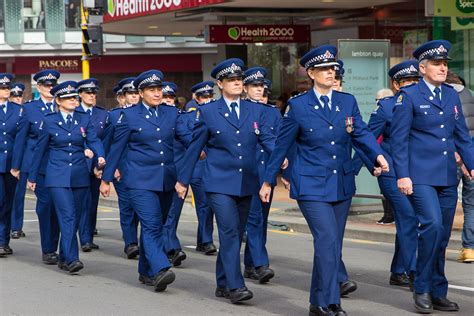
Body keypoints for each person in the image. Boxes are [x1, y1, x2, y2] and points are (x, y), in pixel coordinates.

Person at [259, 45, 389, 316]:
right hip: (311, 184)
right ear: (311, 73)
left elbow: (361, 133)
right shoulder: (298, 105)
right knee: (327, 239)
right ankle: (329, 302)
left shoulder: (347, 101)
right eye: (325, 69)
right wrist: (268, 180)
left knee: (331, 244)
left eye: (334, 69)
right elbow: (282, 146)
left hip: (340, 183)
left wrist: (377, 156)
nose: (331, 73)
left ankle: (320, 302)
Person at [175, 58, 277, 304]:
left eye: (239, 80)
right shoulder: (208, 111)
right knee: (230, 232)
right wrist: (183, 180)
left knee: (236, 231)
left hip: (247, 182)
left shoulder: (256, 110)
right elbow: (194, 148)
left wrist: (282, 161)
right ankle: (235, 285)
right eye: (231, 80)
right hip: (219, 183)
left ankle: (222, 283)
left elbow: (268, 141)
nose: (237, 83)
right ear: (220, 83)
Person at [391, 40, 474, 313]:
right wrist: (402, 175)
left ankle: (438, 291)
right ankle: (422, 287)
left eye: (445, 64)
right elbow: (399, 140)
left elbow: (462, 135)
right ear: (422, 68)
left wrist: (472, 165)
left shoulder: (450, 94)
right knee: (432, 226)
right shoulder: (409, 96)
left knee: (442, 235)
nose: (442, 68)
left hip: (448, 176)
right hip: (420, 176)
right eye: (437, 64)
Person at [100, 70, 191, 292]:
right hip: (139, 181)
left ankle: (145, 271)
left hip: (166, 180)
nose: (157, 93)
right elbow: (116, 149)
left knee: (157, 225)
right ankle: (161, 269)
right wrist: (106, 178)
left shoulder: (171, 113)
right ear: (140, 93)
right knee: (151, 225)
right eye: (152, 90)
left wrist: (208, 145)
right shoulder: (128, 116)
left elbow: (187, 138)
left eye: (159, 89)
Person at [354, 60, 421, 289]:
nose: (412, 85)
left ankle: (398, 270)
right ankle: (413, 271)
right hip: (391, 171)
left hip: (418, 172)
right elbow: (366, 140)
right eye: (406, 82)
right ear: (395, 84)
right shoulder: (386, 107)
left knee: (410, 220)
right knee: (408, 217)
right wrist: (370, 164)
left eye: (415, 81)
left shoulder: (425, 104)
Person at [27, 81, 105, 273]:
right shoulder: (50, 120)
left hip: (79, 175)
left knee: (76, 217)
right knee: (68, 215)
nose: (73, 100)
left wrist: (100, 155)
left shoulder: (83, 118)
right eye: (69, 98)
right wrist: (33, 176)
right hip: (57, 176)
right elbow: (40, 150)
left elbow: (93, 139)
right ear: (59, 101)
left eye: (74, 97)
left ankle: (64, 256)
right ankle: (71, 259)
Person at [10, 70, 61, 264]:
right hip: (38, 166)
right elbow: (21, 139)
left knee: (62, 208)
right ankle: (49, 249)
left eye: (53, 85)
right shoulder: (29, 109)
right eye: (46, 85)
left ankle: (64, 249)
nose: (50, 88)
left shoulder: (64, 106)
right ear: (38, 88)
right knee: (46, 206)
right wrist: (16, 165)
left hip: (62, 165)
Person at [242, 67, 281, 284]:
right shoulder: (242, 110)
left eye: (261, 86)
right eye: (255, 86)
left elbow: (283, 141)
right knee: (254, 219)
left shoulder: (273, 112)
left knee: (262, 220)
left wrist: (284, 170)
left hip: (267, 172)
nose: (259, 90)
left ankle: (250, 264)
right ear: (245, 88)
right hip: (248, 172)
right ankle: (260, 263)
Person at [101, 78, 139, 260]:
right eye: (131, 94)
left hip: (144, 170)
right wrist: (111, 168)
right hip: (122, 170)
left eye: (136, 93)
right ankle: (131, 243)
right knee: (127, 207)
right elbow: (108, 145)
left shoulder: (147, 114)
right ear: (123, 97)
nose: (135, 97)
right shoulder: (115, 116)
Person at [444, 71, 474, 263]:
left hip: (450, 154)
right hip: (471, 152)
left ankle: (439, 245)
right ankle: (469, 248)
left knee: (446, 201)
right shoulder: (469, 94)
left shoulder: (445, 96)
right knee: (471, 203)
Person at [75, 78, 108, 252]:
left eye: (94, 92)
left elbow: (103, 139)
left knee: (93, 202)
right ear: (80, 94)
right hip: (80, 162)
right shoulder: (74, 111)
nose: (92, 95)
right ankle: (84, 238)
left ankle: (89, 235)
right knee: (82, 201)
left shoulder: (102, 114)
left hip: (97, 164)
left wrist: (100, 161)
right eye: (88, 92)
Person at [160, 81, 187, 266]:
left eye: (171, 97)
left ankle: (168, 247)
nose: (169, 100)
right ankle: (171, 248)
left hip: (179, 174)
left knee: (173, 214)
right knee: (164, 215)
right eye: (165, 97)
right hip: (158, 174)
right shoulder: (155, 119)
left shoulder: (181, 118)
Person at [189, 81, 217, 255]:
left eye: (209, 96)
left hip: (213, 166)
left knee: (208, 205)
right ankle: (206, 240)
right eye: (204, 97)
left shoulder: (216, 113)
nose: (207, 99)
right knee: (204, 204)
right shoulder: (191, 115)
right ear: (196, 99)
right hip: (198, 166)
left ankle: (203, 239)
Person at [0, 73, 22, 257]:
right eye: (2, 88)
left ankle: (3, 241)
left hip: (12, 164)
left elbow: (21, 139)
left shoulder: (18, 110)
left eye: (8, 88)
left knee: (7, 203)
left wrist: (18, 164)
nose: (6, 90)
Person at [9, 82, 26, 239]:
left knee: (18, 195)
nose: (17, 98)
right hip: (5, 158)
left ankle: (16, 227)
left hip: (19, 159)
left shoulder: (24, 112)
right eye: (14, 96)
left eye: (19, 96)